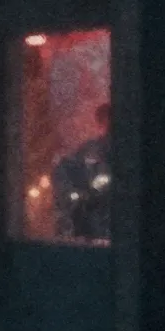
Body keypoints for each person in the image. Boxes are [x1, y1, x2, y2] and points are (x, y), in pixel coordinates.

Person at [53, 102, 112, 242]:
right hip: (96, 227)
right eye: (107, 121)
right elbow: (67, 175)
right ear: (101, 123)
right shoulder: (88, 151)